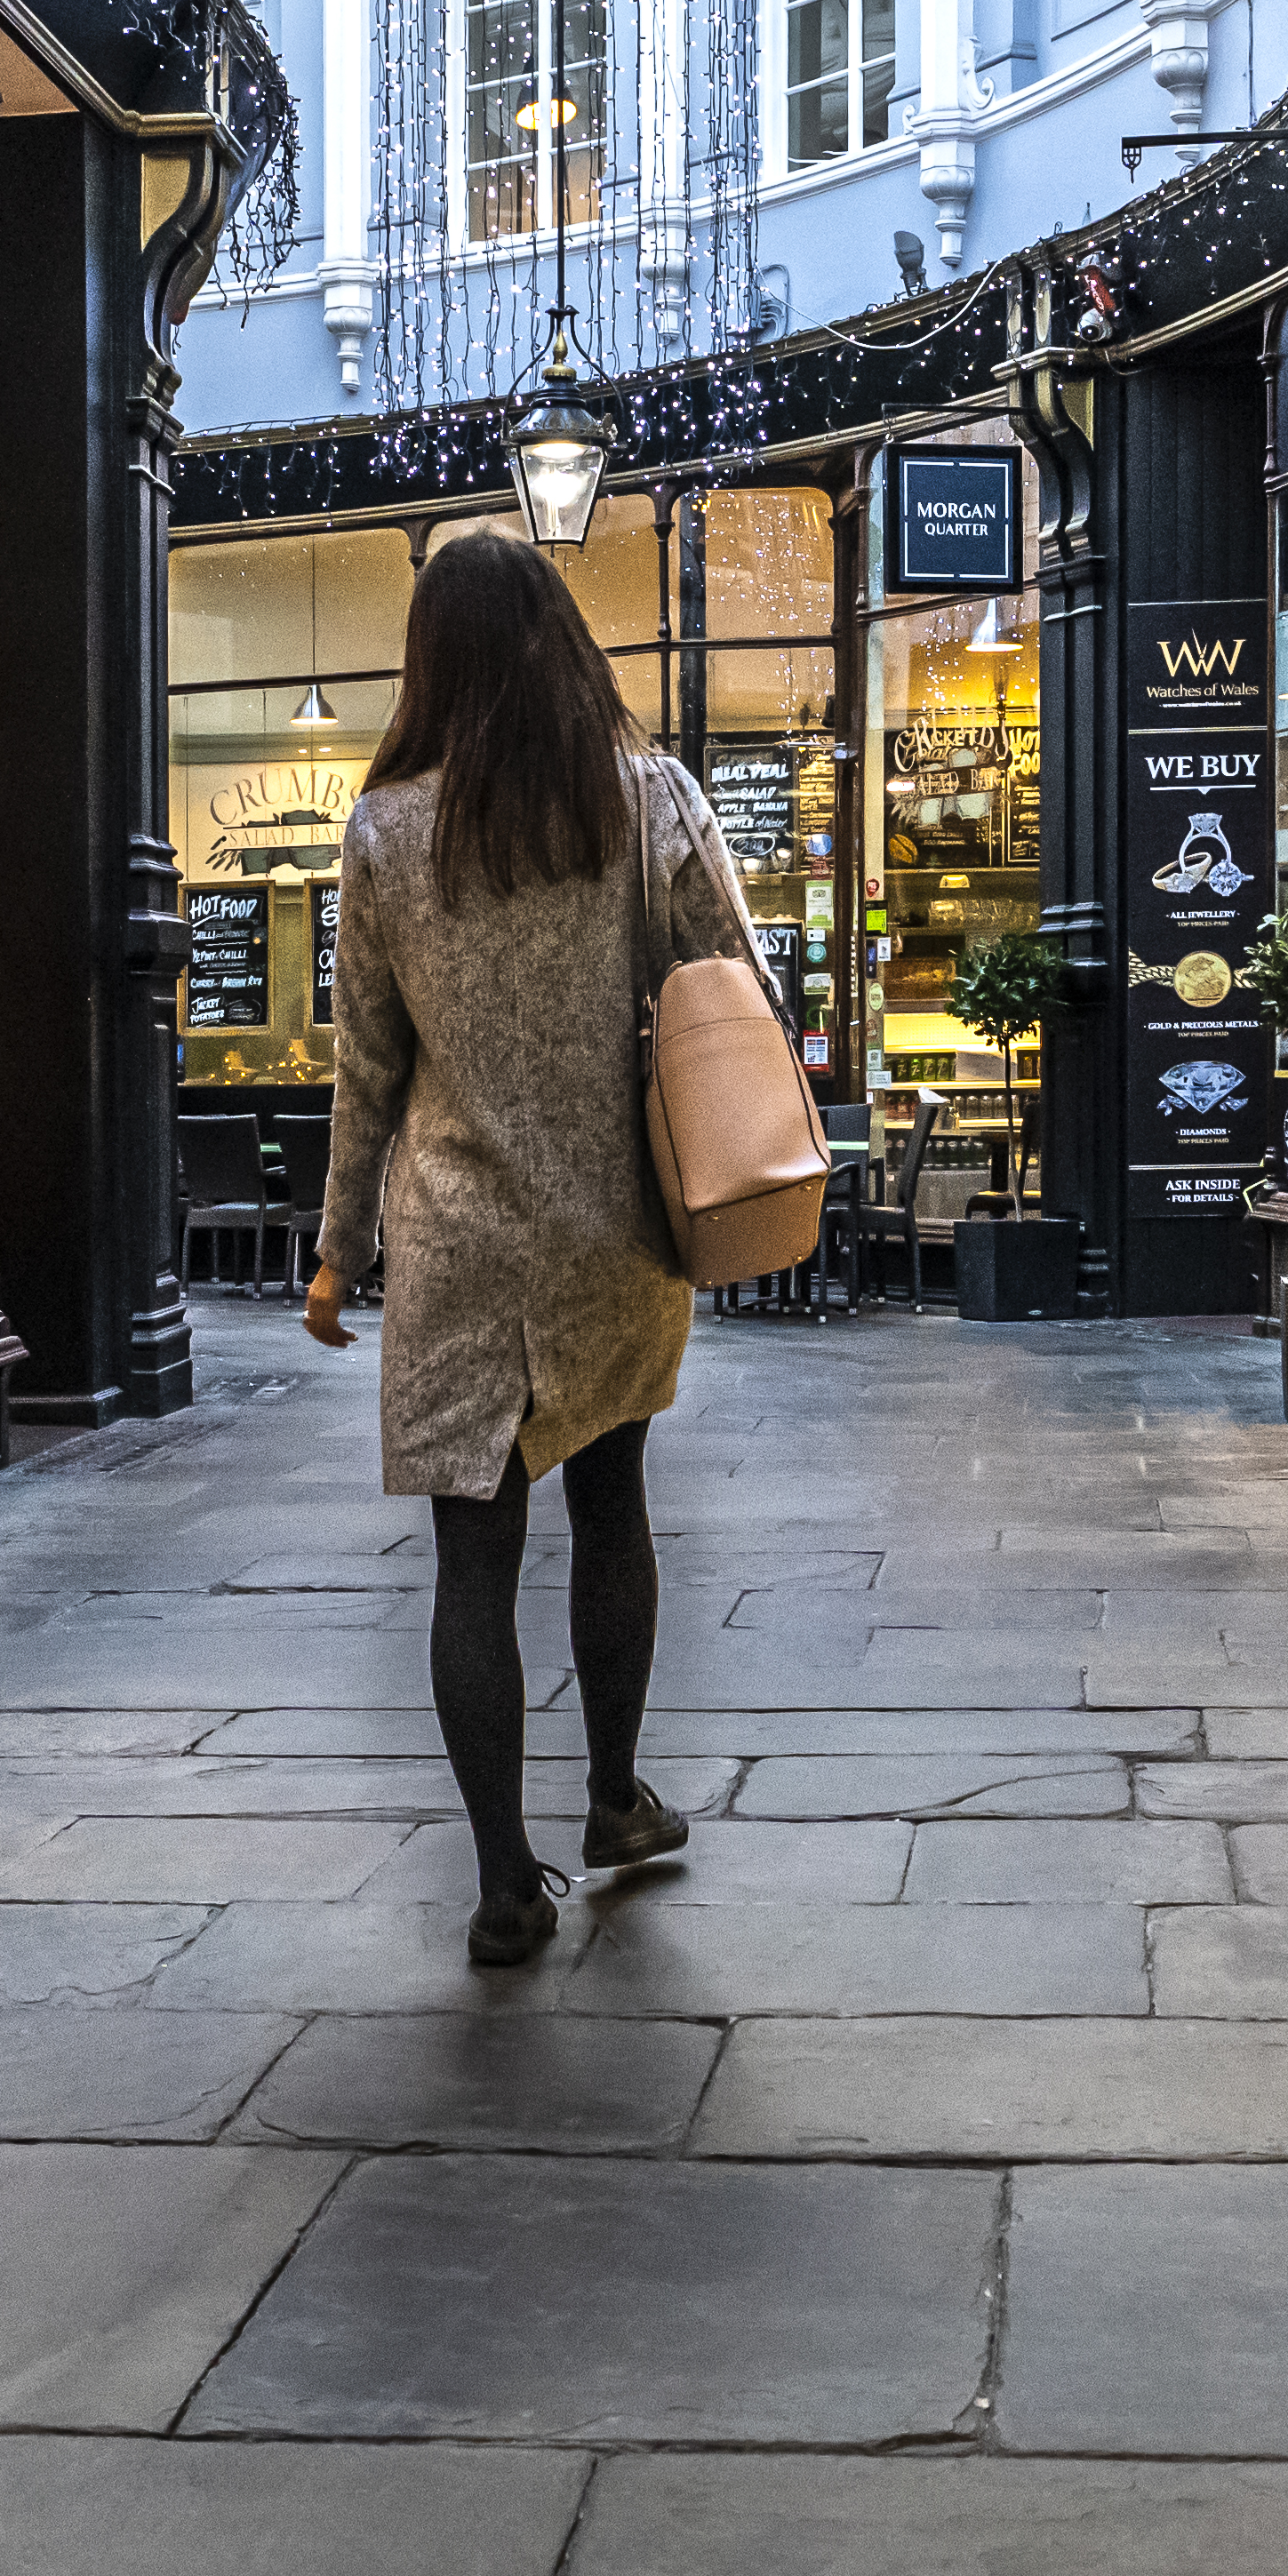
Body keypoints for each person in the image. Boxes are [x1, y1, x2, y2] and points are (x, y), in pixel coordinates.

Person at [308, 525, 756, 1969]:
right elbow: (729, 983)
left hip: (454, 1240)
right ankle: (615, 1796)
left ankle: (503, 1881)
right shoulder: (647, 794)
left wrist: (332, 1255)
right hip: (615, 1225)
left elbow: (364, 1068)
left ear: (425, 661)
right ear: (562, 635)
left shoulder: (382, 831)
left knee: (470, 1561)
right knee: (611, 1500)